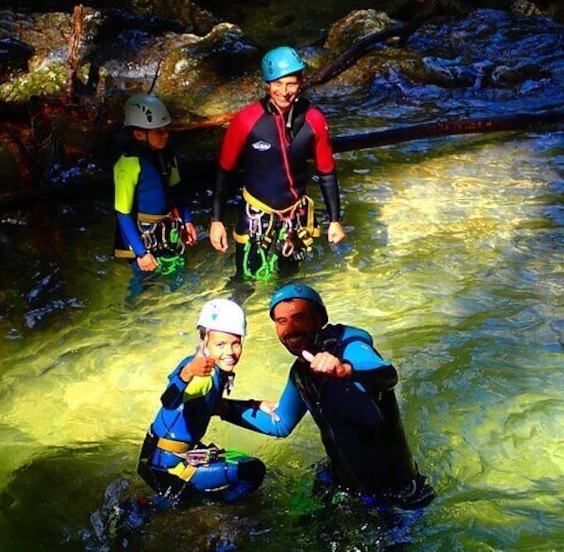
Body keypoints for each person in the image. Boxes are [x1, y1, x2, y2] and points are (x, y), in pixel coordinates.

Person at [218, 283, 434, 509]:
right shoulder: (301, 372)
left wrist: (345, 370)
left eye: (299, 317)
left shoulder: (349, 346)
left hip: (395, 491)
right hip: (343, 483)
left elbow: (387, 375)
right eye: (281, 322)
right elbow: (280, 423)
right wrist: (222, 409)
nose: (290, 329)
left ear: (320, 318)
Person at [208, 46, 346, 281]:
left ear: (301, 82)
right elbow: (225, 171)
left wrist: (335, 220)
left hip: (295, 218)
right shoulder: (246, 121)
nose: (284, 92)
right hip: (256, 218)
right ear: (267, 85)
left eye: (291, 84)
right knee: (244, 281)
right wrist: (216, 221)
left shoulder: (314, 120)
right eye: (277, 84)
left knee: (289, 281)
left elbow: (326, 172)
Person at [136, 299, 266, 504]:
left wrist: (255, 405)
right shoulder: (201, 375)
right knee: (253, 471)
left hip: (157, 455)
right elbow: (168, 401)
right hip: (169, 467)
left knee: (238, 458)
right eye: (220, 344)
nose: (230, 352)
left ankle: (189, 502)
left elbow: (211, 406)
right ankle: (209, 508)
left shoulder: (203, 365)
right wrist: (188, 374)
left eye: (236, 343)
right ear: (204, 341)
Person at [113, 93, 197, 279]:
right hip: (140, 235)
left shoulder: (166, 154)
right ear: (139, 134)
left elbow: (176, 189)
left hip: (166, 228)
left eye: (167, 129)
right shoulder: (127, 165)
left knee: (178, 274)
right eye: (159, 131)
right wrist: (141, 253)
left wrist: (187, 219)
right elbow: (123, 213)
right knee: (143, 282)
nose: (166, 135)